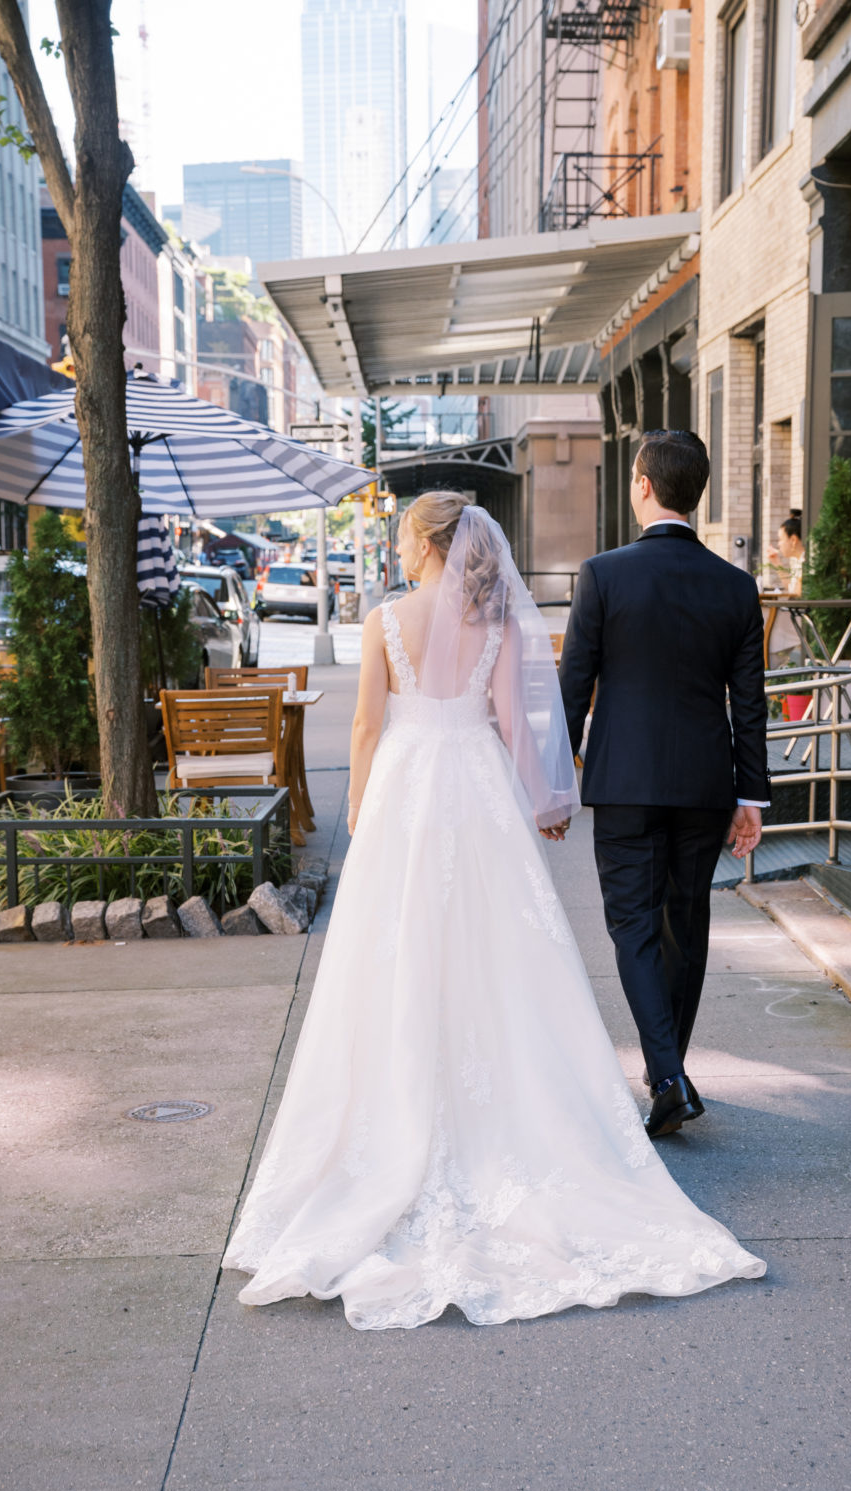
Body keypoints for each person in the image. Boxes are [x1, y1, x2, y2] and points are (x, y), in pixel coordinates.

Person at [223, 490, 765, 1329]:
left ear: (428, 543)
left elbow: (367, 722)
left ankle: (392, 1124)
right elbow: (519, 722)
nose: (400, 553)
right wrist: (547, 800)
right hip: (474, 788)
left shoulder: (383, 621)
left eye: (404, 540)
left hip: (406, 788)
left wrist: (362, 810)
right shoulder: (502, 625)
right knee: (500, 956)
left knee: (398, 953)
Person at [558, 431, 771, 1141]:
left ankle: (670, 1076)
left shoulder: (603, 573)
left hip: (623, 781)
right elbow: (750, 701)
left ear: (644, 485)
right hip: (706, 784)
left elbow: (574, 686)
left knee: (634, 928)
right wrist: (752, 797)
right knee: (688, 926)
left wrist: (556, 780)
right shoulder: (736, 586)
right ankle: (667, 1074)